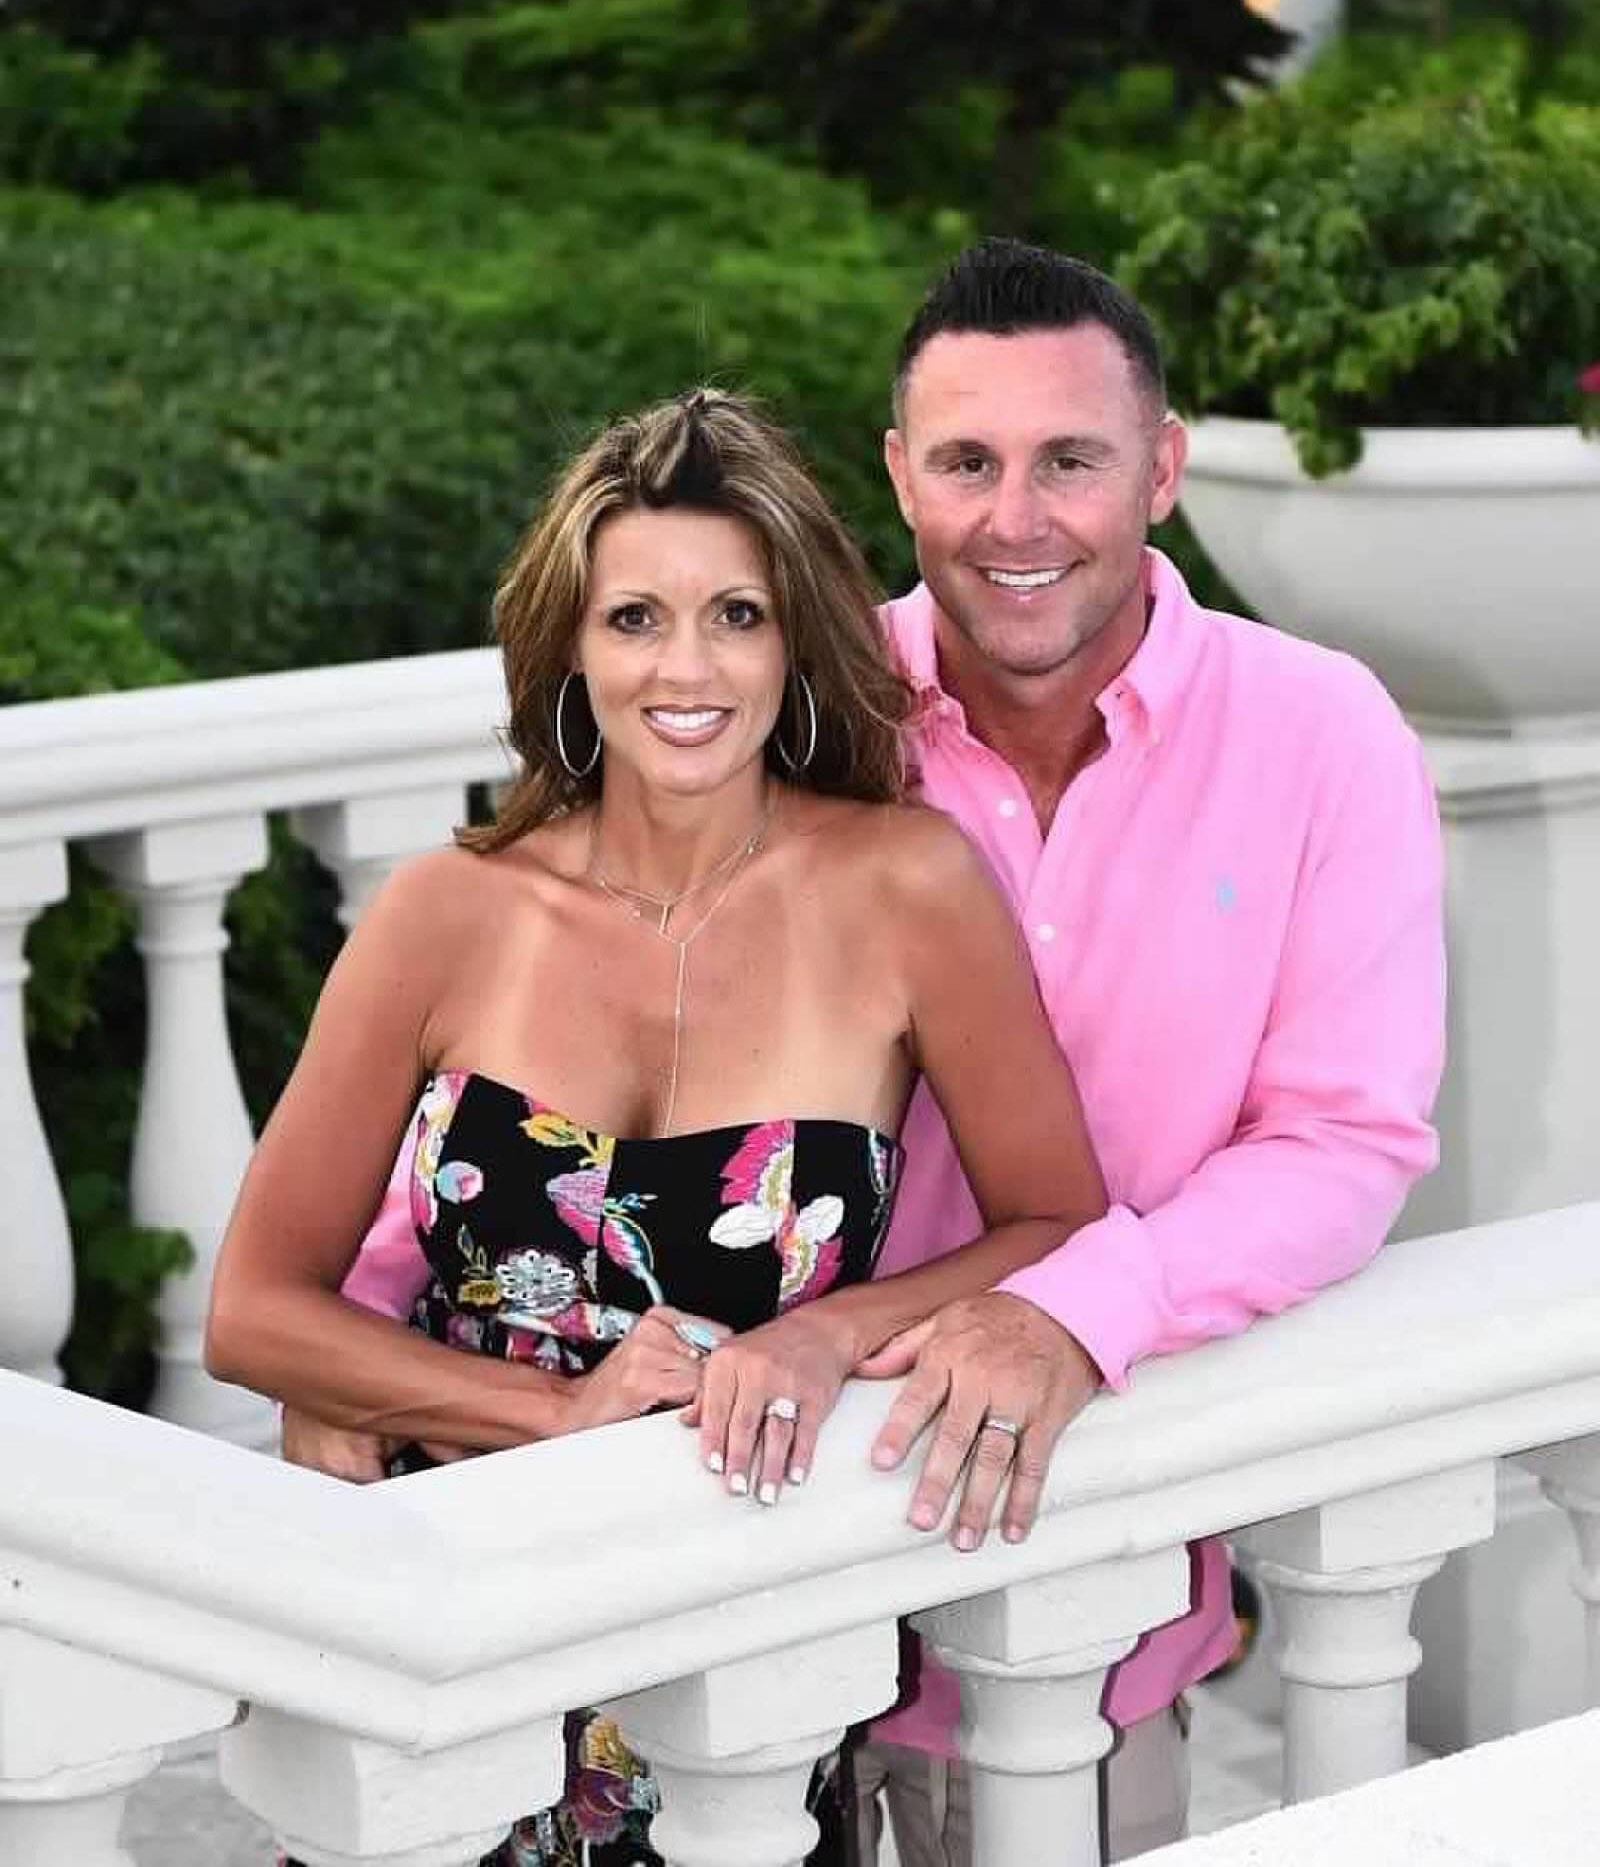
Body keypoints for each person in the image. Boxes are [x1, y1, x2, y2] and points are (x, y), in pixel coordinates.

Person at [280, 239, 1447, 1862]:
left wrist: (1077, 1310)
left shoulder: (1319, 735)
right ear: (900, 473)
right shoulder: (797, 704)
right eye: (967, 461)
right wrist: (355, 1350)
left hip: (1053, 1579)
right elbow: (534, 1070)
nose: (1015, 518)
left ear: (1163, 469)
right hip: (722, 1573)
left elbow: (1345, 1142)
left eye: (1071, 461)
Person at [204, 386, 1109, 1867]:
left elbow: (1056, 1218)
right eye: (635, 618)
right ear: (571, 646)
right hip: (442, 1636)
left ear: (795, 640)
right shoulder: (449, 909)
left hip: (729, 1655)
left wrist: (828, 1336)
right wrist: (552, 1415)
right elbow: (253, 1309)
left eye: (736, 615)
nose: (686, 669)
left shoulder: (908, 890)